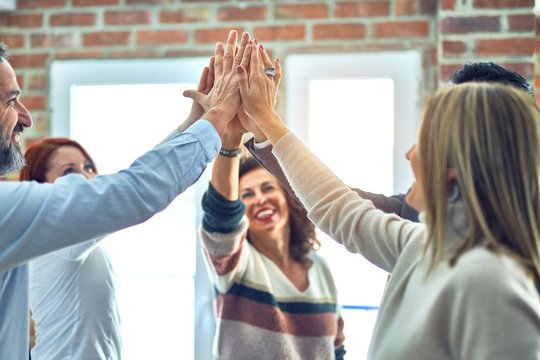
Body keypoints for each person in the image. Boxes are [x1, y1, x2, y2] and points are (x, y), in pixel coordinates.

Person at [236, 43, 540, 358]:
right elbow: (335, 205)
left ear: (455, 167)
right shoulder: (420, 243)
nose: (409, 155)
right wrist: (265, 122)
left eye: (424, 142)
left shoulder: (495, 285)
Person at [0, 29, 243, 358]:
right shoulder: (40, 228)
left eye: (88, 168)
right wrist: (216, 118)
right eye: (11, 100)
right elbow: (131, 190)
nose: (25, 117)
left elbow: (131, 181)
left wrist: (196, 122)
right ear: (41, 189)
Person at [243, 61, 535, 223]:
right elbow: (335, 201)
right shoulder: (416, 212)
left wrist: (266, 121)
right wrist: (263, 128)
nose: (412, 155)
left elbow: (336, 206)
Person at [200, 152, 346, 359]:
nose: (260, 199)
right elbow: (219, 216)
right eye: (247, 195)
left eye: (268, 188)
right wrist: (229, 147)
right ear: (238, 210)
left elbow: (336, 348)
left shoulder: (319, 268)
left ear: (288, 198)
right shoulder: (237, 264)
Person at [20, 138, 121, 359]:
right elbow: (136, 190)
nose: (85, 177)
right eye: (69, 173)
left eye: (88, 167)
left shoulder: (82, 236)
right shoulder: (58, 234)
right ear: (40, 186)